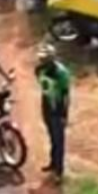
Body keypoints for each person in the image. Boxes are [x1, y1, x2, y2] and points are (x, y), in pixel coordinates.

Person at [36, 44, 73, 178]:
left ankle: (59, 171)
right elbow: (44, 88)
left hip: (57, 109)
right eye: (42, 59)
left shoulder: (61, 73)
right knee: (52, 137)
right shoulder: (39, 69)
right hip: (46, 106)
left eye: (46, 59)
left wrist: (64, 114)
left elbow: (66, 95)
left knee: (59, 140)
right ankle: (53, 163)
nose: (43, 61)